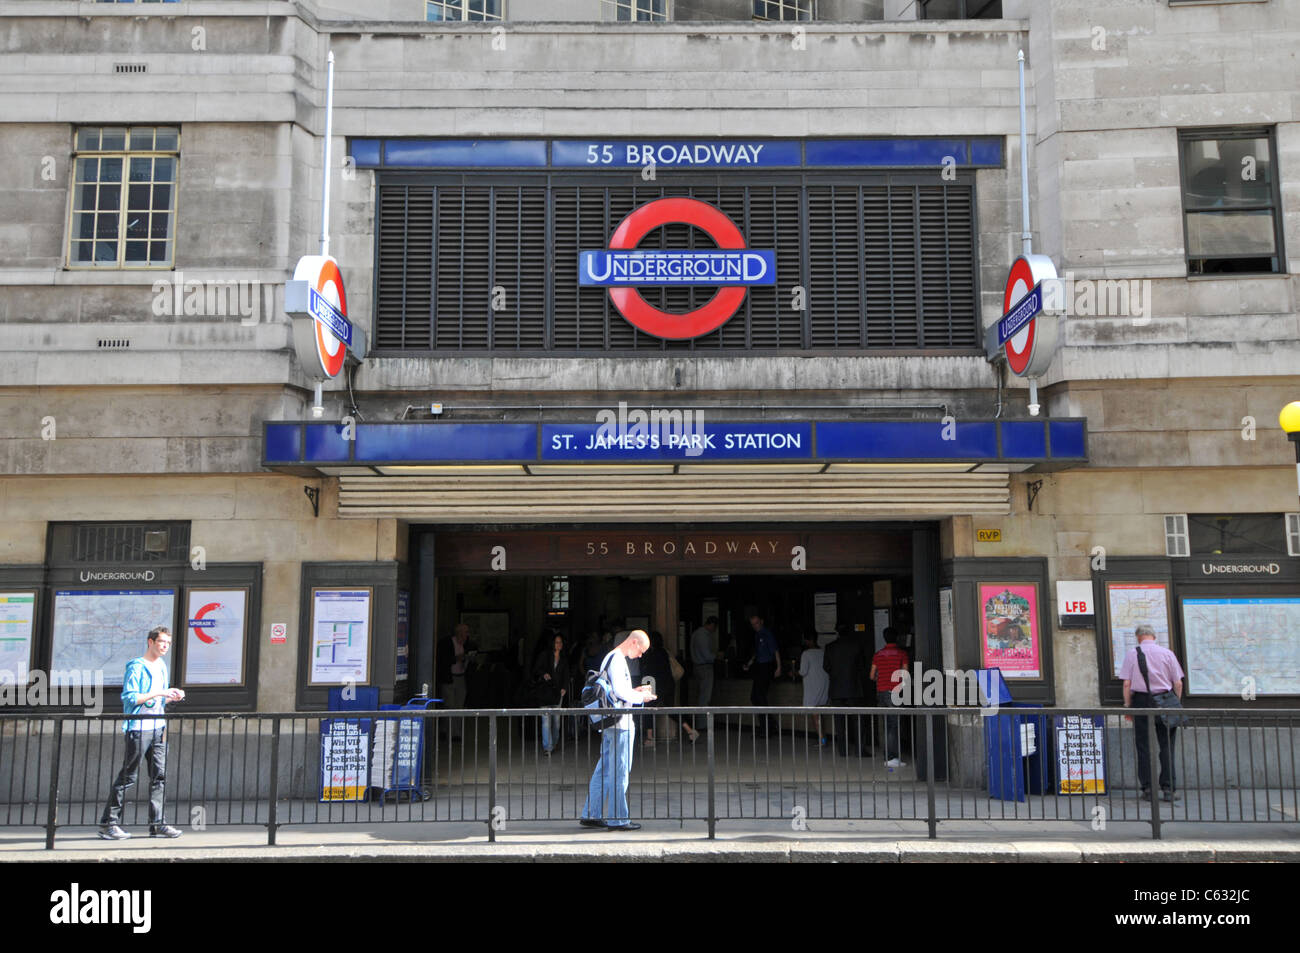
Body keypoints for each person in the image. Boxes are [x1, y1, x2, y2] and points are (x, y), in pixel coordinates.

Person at [99, 626, 184, 840]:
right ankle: (108, 824)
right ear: (150, 642)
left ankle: (158, 824)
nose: (165, 646)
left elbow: (158, 699)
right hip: (138, 728)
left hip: (158, 728)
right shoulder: (136, 667)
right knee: (128, 776)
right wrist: (160, 692)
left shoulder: (162, 666)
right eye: (162, 642)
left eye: (168, 643)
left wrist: (171, 696)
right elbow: (130, 698)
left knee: (159, 777)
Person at [579, 630, 655, 831]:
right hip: (621, 724)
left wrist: (634, 691)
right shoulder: (618, 660)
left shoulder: (610, 658)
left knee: (604, 769)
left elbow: (616, 690)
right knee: (619, 771)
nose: (640, 655)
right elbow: (621, 692)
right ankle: (617, 818)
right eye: (641, 650)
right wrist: (641, 698)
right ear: (633, 642)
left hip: (610, 724)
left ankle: (591, 813)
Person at [1120, 624, 1184, 802]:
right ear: (1154, 637)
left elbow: (1126, 684)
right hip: (1165, 701)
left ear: (1138, 637)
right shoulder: (1167, 653)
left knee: (1144, 746)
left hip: (1142, 701)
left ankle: (1148, 788)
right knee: (1167, 746)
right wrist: (1175, 702)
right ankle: (1169, 789)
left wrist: (1128, 706)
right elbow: (1178, 683)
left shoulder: (1133, 654)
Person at [823, 622, 869, 756]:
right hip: (854, 688)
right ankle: (860, 750)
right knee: (857, 720)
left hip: (836, 689)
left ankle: (842, 750)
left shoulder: (830, 647)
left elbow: (826, 666)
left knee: (839, 721)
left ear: (836, 632)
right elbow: (862, 666)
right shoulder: (856, 646)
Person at [870, 627, 910, 769]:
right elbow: (905, 674)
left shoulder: (878, 654)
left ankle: (887, 755)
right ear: (897, 638)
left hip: (881, 691)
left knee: (886, 723)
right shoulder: (902, 654)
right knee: (894, 724)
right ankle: (892, 757)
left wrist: (881, 680)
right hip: (895, 692)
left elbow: (871, 675)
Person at [531, 632, 569, 754]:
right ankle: (548, 747)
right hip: (545, 691)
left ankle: (554, 742)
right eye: (557, 642)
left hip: (558, 692)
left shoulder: (563, 659)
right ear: (552, 643)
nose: (559, 644)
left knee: (556, 721)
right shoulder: (544, 655)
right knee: (546, 721)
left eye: (561, 642)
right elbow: (536, 669)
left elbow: (566, 675)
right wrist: (544, 674)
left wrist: (564, 687)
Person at [436, 622, 476, 738]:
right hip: (448, 678)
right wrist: (456, 658)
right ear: (459, 633)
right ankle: (448, 731)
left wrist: (469, 659)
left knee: (459, 706)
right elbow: (442, 660)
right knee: (449, 705)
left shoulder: (467, 644)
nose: (467, 635)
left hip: (461, 677)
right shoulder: (446, 643)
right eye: (465, 632)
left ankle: (456, 733)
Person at [797, 631, 829, 745]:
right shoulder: (823, 652)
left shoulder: (806, 654)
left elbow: (803, 671)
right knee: (820, 715)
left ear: (808, 640)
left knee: (815, 716)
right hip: (824, 685)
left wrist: (794, 673)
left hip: (812, 687)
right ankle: (823, 738)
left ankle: (822, 740)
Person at [743, 613, 781, 707]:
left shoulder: (767, 634)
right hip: (759, 667)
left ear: (761, 622)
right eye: (753, 624)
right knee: (755, 697)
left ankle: (768, 721)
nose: (755, 626)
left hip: (766, 666)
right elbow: (757, 652)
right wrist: (749, 663)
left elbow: (775, 650)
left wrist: (779, 667)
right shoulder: (757, 635)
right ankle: (766, 721)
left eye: (756, 623)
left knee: (759, 696)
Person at [690, 616, 719, 707]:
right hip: (705, 668)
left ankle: (700, 720)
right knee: (705, 697)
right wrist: (717, 656)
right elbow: (707, 655)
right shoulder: (703, 635)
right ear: (712, 625)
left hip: (697, 666)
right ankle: (704, 721)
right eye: (715, 628)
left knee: (700, 695)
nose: (714, 630)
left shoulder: (696, 633)